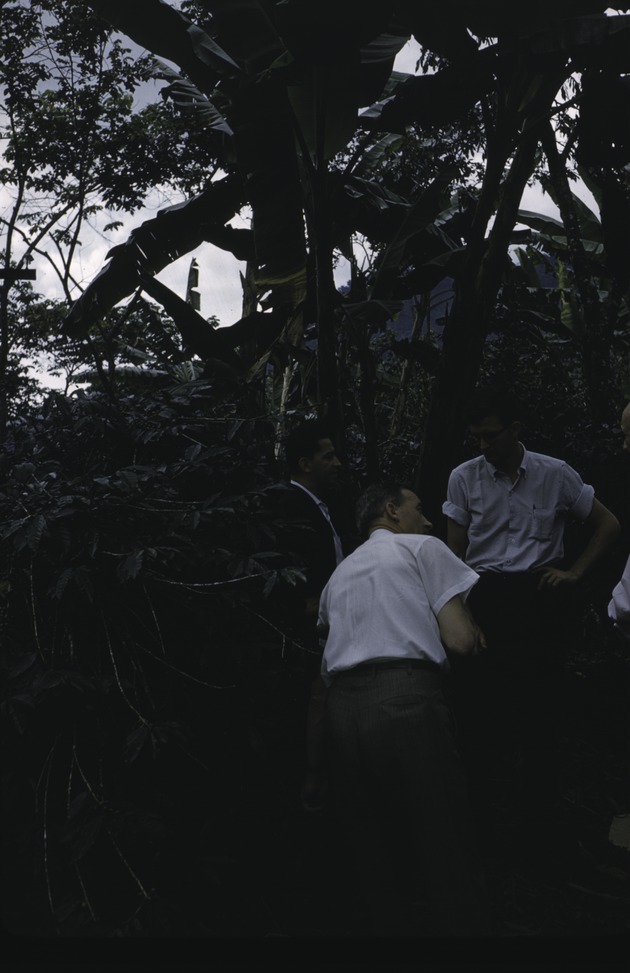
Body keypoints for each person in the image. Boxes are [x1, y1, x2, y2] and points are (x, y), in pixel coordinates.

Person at [442, 386, 621, 860]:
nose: (483, 446)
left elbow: (608, 524)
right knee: (481, 717)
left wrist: (575, 572)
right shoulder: (464, 478)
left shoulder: (553, 473)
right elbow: (454, 555)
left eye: (491, 435)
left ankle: (538, 832)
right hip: (484, 596)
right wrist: (460, 611)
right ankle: (483, 831)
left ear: (516, 429)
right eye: (476, 437)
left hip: (539, 600)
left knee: (541, 716)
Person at [318, 480, 490, 937]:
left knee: (370, 844)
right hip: (405, 698)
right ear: (392, 511)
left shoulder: (339, 573)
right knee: (441, 832)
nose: (429, 518)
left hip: (340, 713)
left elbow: (325, 658)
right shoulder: (421, 547)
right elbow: (459, 640)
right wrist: (472, 625)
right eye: (418, 507)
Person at [264, 419, 354, 810]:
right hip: (304, 632)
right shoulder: (288, 505)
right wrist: (307, 605)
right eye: (327, 456)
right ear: (305, 463)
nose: (337, 464)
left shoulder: (324, 506)